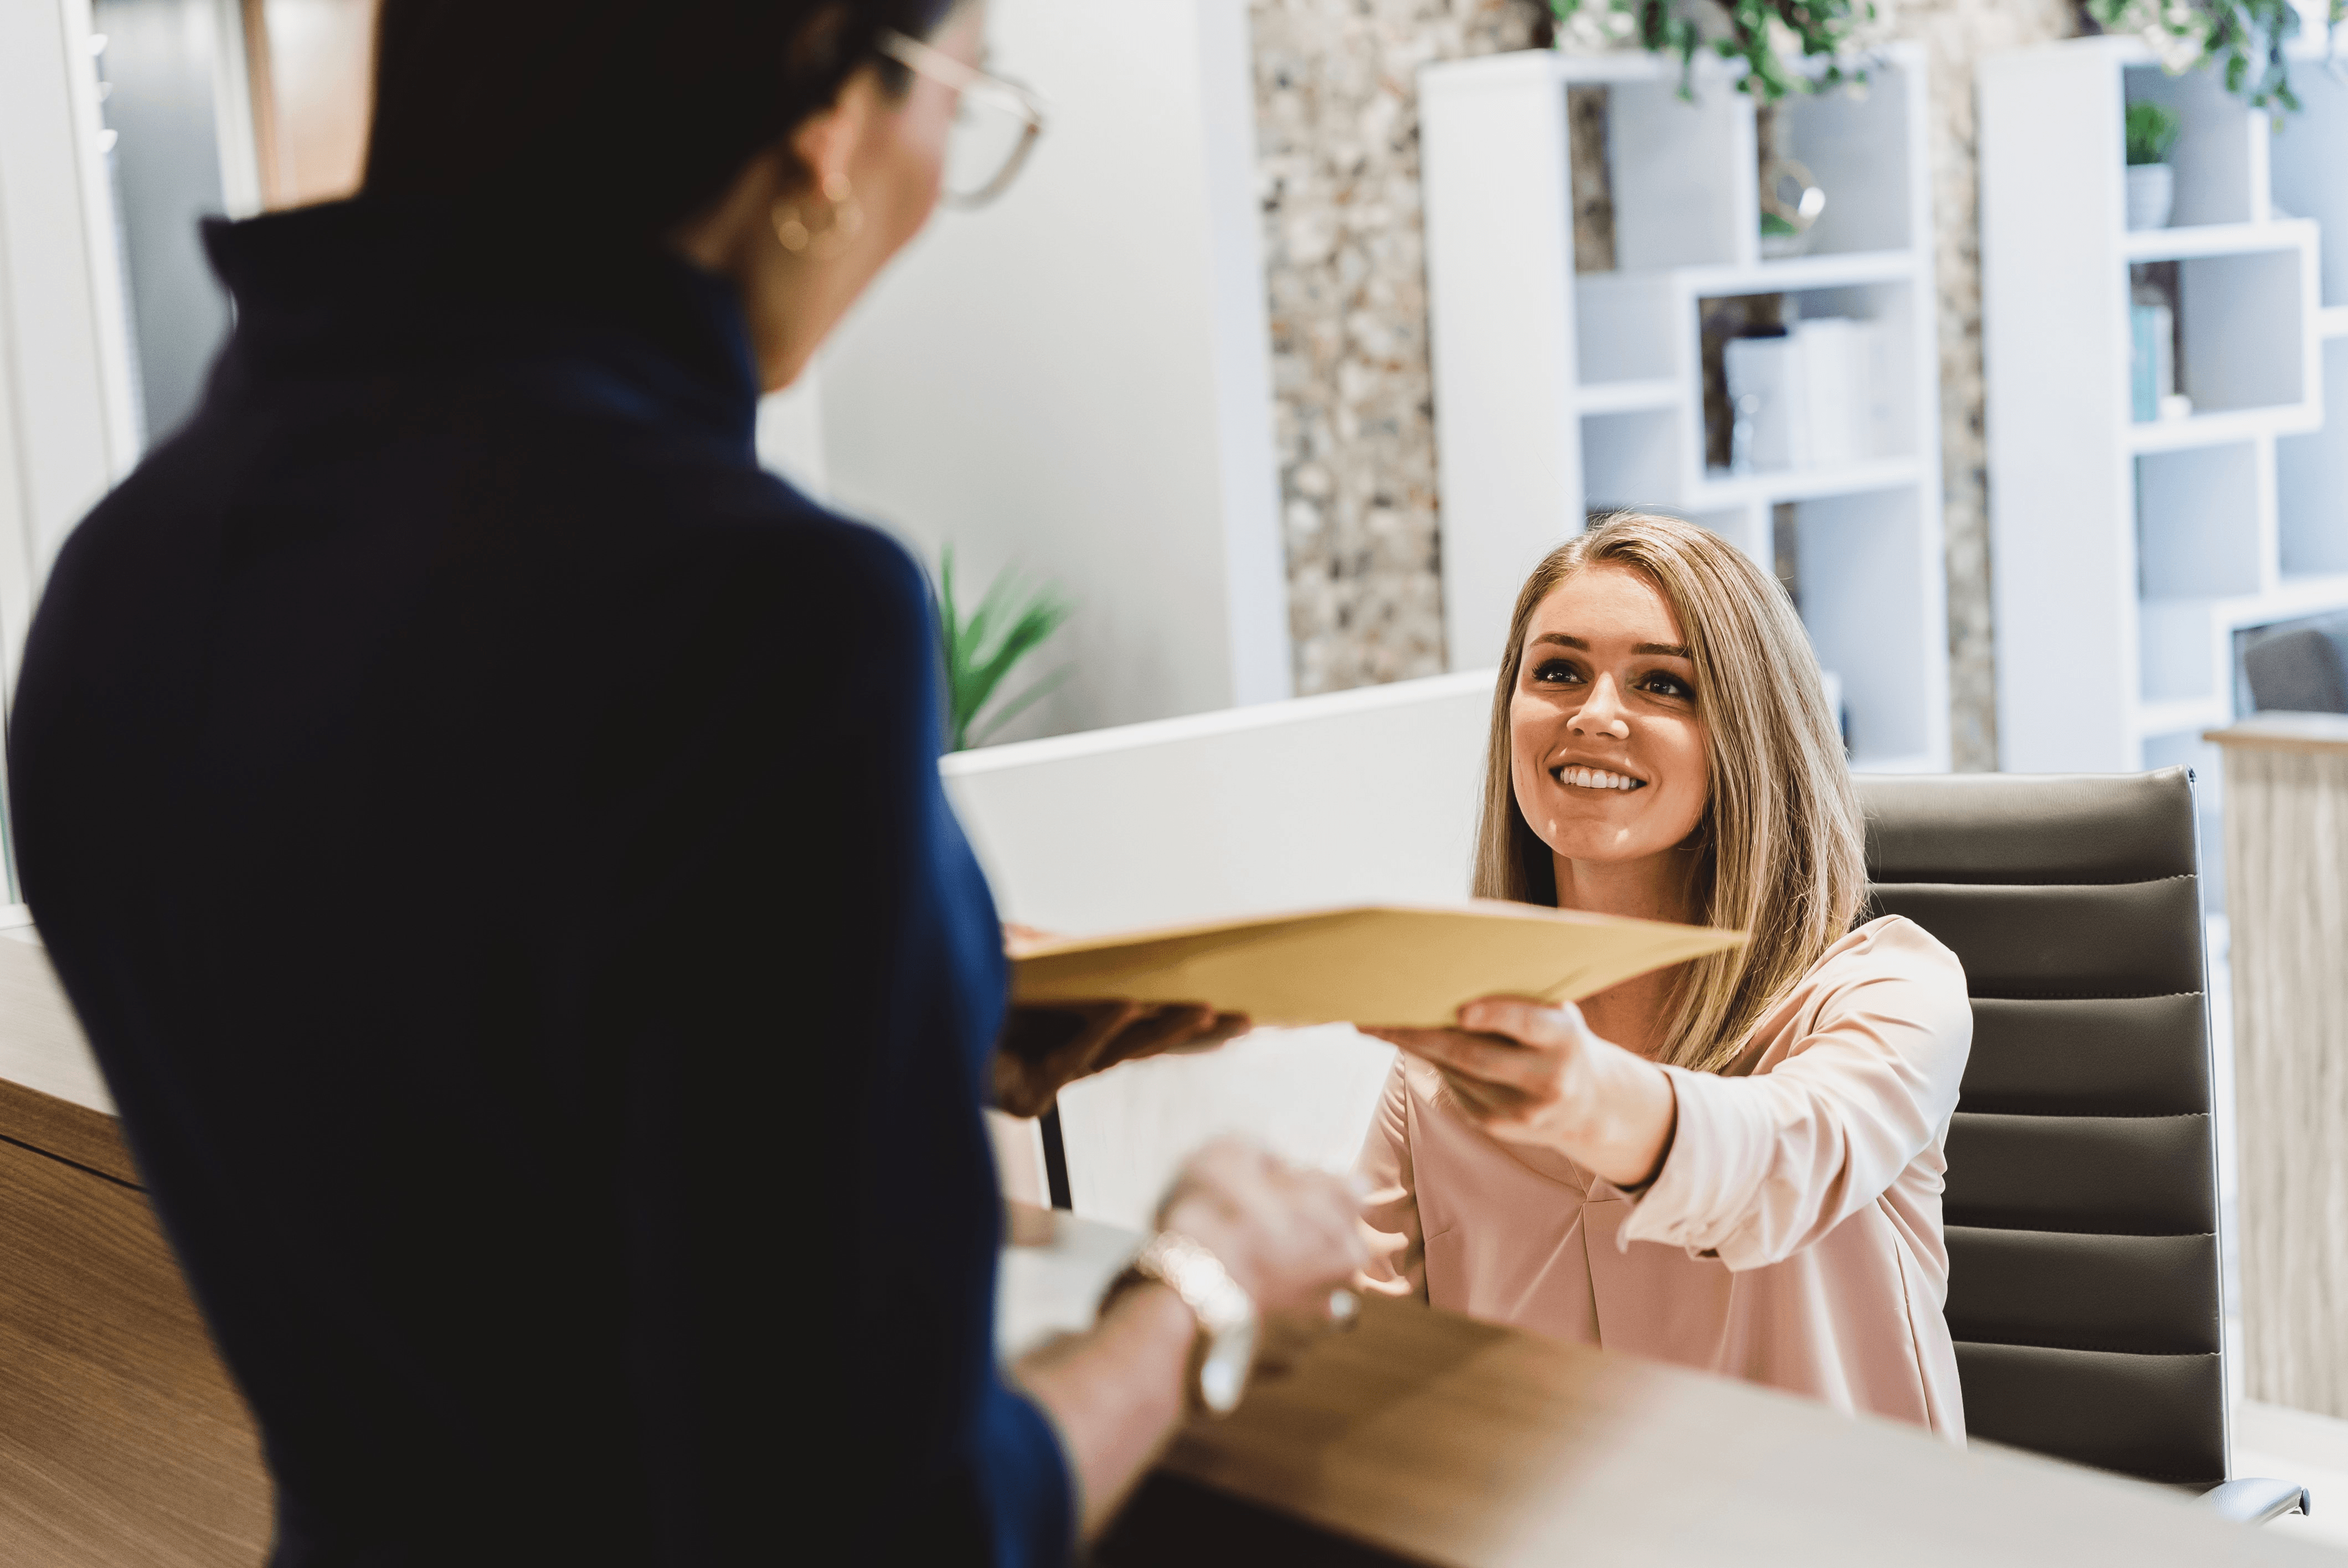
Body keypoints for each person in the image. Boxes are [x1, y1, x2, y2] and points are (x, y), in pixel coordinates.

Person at [6, 2, 1364, 1562]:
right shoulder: (762, 619)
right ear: (832, 125)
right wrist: (1197, 1287)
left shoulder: (126, 577)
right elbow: (880, 1531)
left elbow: (437, 1048)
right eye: (965, 109)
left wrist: (915, 1019)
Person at [1356, 511, 1973, 1438]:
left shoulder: (1888, 993)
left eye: (1663, 684)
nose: (1595, 712)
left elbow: (1782, 1161)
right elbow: (1353, 1350)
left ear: (1747, 738)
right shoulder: (1442, 1073)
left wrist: (1586, 1100)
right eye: (1557, 671)